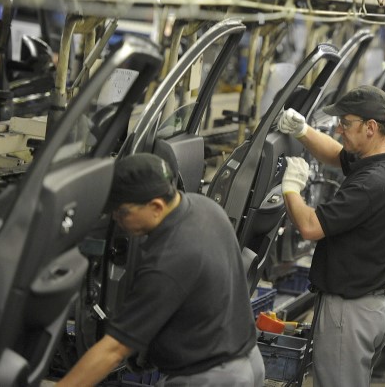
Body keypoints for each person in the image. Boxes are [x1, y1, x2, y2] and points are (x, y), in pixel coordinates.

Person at [57, 153, 263, 387]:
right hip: (247, 359)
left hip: (210, 377)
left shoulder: (169, 260)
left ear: (155, 206)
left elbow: (112, 350)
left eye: (121, 212)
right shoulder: (205, 208)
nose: (116, 219)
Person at [277, 85, 385, 387]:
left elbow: (311, 226)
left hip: (350, 314)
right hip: (373, 305)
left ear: (370, 127)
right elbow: (336, 155)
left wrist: (291, 188)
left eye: (346, 123)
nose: (339, 129)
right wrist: (302, 130)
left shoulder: (372, 184)